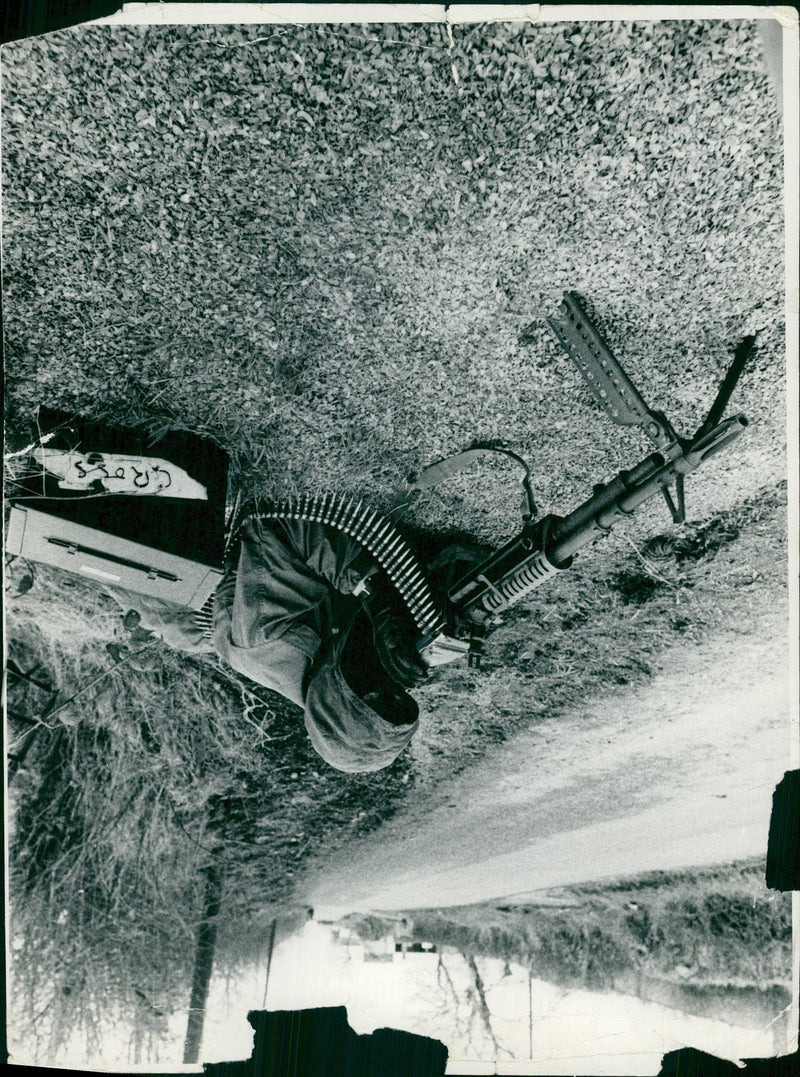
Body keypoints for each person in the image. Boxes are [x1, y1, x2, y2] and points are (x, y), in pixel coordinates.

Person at [107, 512, 434, 774]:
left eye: (372, 698)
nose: (385, 684)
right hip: (226, 618)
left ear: (334, 705)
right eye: (395, 696)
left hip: (175, 601)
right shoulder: (338, 679)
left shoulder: (270, 636)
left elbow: (275, 526)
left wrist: (369, 587)